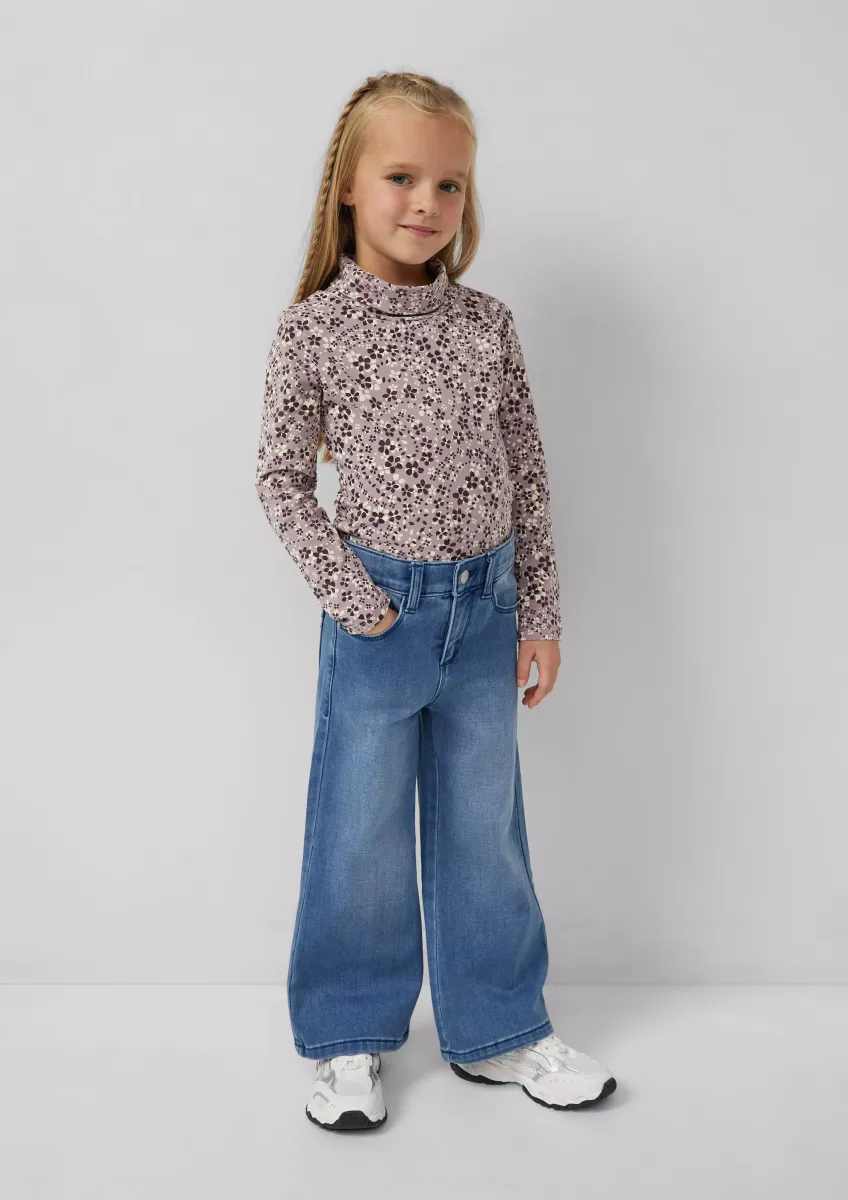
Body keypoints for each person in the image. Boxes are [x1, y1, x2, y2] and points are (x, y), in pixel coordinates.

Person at [254, 70, 617, 1132]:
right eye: (402, 177)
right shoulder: (313, 330)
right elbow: (279, 479)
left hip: (486, 608)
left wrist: (539, 614)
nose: (427, 202)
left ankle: (499, 1029)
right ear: (349, 188)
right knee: (357, 831)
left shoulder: (486, 324)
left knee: (482, 828)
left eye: (449, 184)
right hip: (378, 615)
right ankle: (350, 1036)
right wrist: (354, 598)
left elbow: (527, 470)